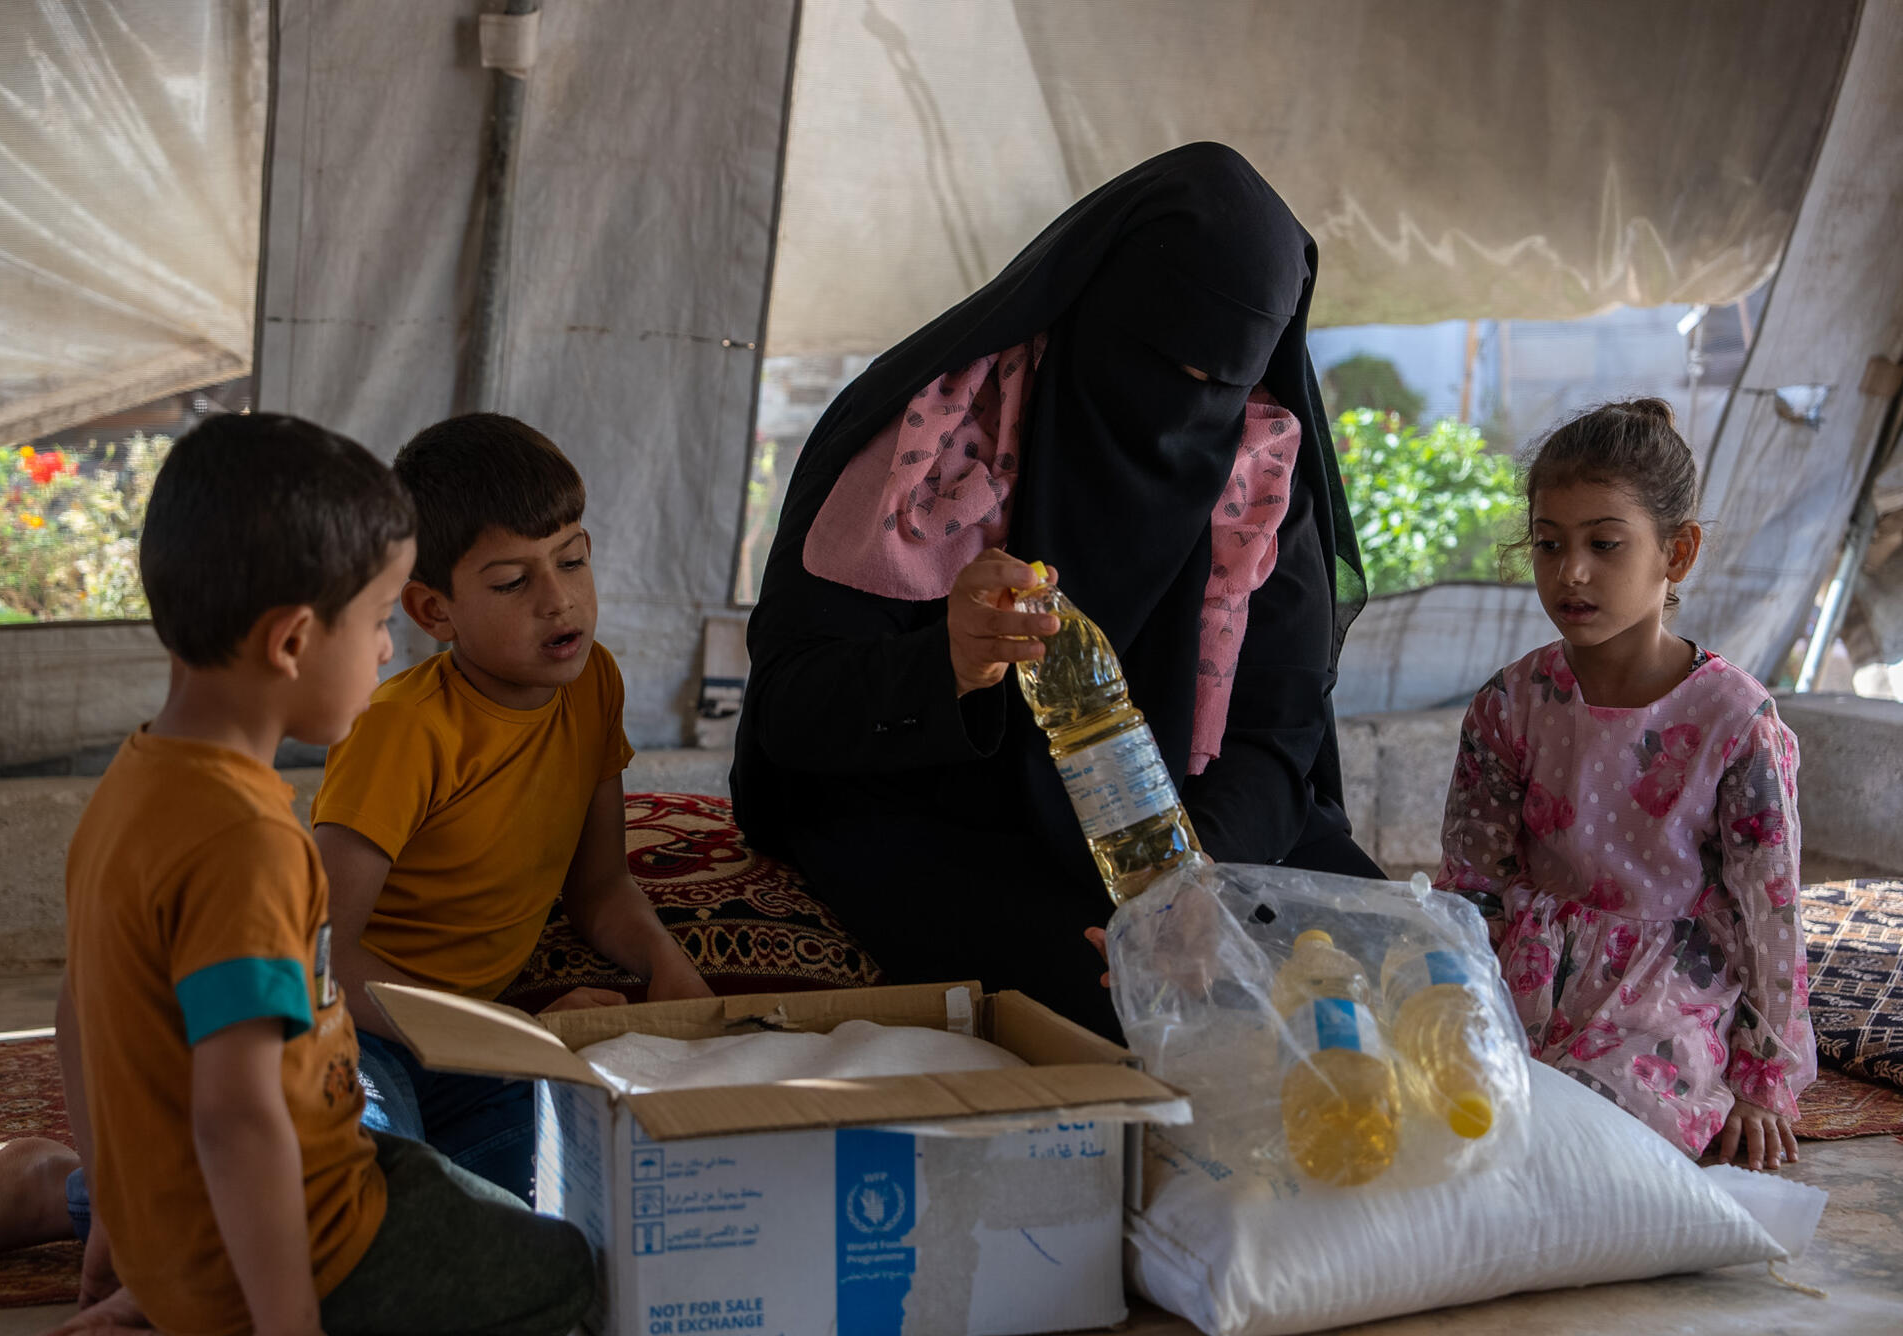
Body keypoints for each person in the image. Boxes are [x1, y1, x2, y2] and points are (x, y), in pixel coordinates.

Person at [0, 413, 595, 1334]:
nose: (387, 650)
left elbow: (80, 1011)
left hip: (230, 1208)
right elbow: (239, 1118)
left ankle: (126, 1257)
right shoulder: (251, 843)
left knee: (476, 1169)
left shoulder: (134, 782)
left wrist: (117, 1206)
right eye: (374, 622)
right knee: (573, 1270)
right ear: (291, 643)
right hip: (308, 1238)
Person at [733, 143, 1375, 1038]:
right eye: (1160, 363)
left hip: (1195, 832)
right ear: (1092, 305)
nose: (1180, 410)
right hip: (951, 815)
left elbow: (1275, 734)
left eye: (1219, 385)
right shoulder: (937, 439)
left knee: (1405, 971)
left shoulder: (1259, 477)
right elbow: (791, 709)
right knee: (1142, 1013)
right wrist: (948, 666)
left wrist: (1194, 879)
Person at [313, 412, 714, 1202]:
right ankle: (98, 1194)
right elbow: (313, 958)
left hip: (475, 1057)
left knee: (599, 1172)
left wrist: (669, 967)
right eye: (511, 583)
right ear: (434, 612)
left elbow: (600, 890)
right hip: (358, 1035)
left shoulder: (594, 684)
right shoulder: (403, 730)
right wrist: (501, 1035)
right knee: (359, 1180)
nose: (559, 601)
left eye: (572, 560)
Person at [1434, 398, 1816, 1170]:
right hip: (1527, 973)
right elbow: (1470, 885)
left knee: (1600, 1136)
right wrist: (1447, 1002)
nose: (1570, 572)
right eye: (1549, 544)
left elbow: (1769, 914)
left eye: (1604, 544)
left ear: (1677, 553)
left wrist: (1763, 1082)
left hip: (1667, 990)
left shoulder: (1734, 721)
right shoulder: (1510, 703)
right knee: (1446, 1107)